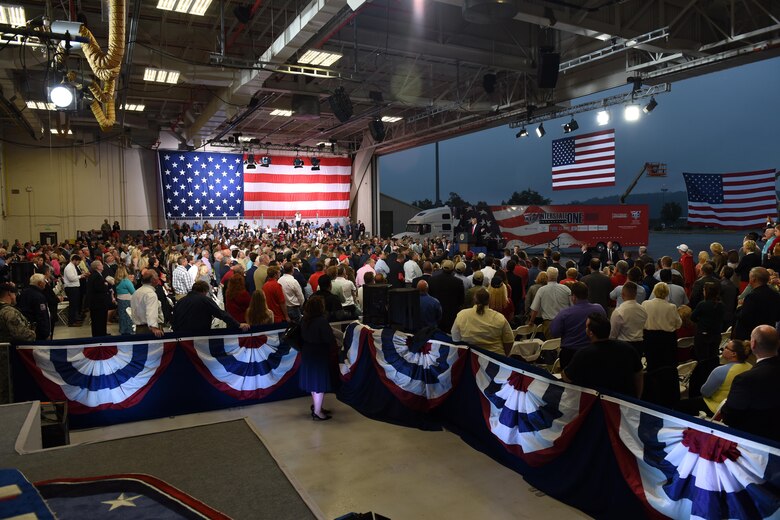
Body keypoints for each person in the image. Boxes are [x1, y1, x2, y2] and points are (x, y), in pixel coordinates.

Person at [563, 312, 643, 397]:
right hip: (625, 403)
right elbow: (639, 374)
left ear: (590, 333)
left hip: (597, 403)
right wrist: (637, 398)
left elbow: (567, 378)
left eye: (586, 327)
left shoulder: (583, 354)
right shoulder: (627, 348)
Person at [722, 325, 780, 441]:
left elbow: (730, 417)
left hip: (753, 439)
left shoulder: (745, 379)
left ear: (753, 344)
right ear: (778, 344)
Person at [677, 339, 752, 417]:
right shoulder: (750, 367)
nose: (723, 349)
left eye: (726, 348)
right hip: (737, 408)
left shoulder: (721, 371)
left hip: (716, 408)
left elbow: (705, 392)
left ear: (733, 354)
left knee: (679, 406)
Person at [550, 282, 606, 370]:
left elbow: (554, 333)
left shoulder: (564, 313)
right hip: (595, 351)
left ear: (574, 297)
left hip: (571, 353)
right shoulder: (599, 309)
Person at [299, 296, 336, 421]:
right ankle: (318, 412)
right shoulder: (321, 321)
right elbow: (329, 338)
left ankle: (317, 406)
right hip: (319, 353)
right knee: (319, 383)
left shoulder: (304, 320)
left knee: (313, 383)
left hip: (307, 352)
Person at [451, 288, 514, 356]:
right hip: (495, 359)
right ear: (489, 300)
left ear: (474, 299)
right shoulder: (499, 317)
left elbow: (455, 338)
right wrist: (503, 357)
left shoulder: (461, 315)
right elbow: (509, 341)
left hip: (469, 358)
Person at [688, 282, 725, 397]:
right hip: (716, 335)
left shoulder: (703, 304)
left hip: (703, 335)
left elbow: (693, 317)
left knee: (702, 360)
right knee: (713, 358)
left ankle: (702, 383)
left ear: (706, 292)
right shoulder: (721, 305)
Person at [172, 281, 249, 334]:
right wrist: (238, 325)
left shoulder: (180, 301)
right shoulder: (204, 300)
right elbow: (220, 313)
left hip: (181, 335)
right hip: (199, 335)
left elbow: (174, 318)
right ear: (204, 291)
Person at [641, 282, 682, 371]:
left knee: (652, 363)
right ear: (667, 293)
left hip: (650, 337)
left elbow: (641, 321)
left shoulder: (645, 304)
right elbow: (678, 324)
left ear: (654, 291)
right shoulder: (671, 307)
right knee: (666, 365)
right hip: (667, 339)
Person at [733, 267, 780, 340]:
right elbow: (778, 316)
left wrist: (740, 306)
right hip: (768, 334)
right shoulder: (776, 295)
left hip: (751, 335)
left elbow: (744, 317)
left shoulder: (752, 297)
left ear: (753, 279)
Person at [609, 282, 647, 358]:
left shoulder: (618, 311)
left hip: (623, 346)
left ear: (622, 295)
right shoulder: (643, 310)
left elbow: (613, 334)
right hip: (639, 345)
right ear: (636, 294)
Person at [428, 259, 465, 331]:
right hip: (451, 314)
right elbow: (461, 300)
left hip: (436, 313)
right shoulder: (458, 282)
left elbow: (430, 295)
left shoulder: (432, 280)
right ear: (452, 269)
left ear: (442, 267)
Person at [130, 270, 164, 337]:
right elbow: (151, 312)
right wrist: (154, 327)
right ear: (153, 280)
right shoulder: (151, 294)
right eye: (157, 276)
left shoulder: (137, 292)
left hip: (139, 328)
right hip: (149, 330)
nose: (158, 278)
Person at [17, 274, 51, 341]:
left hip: (25, 330)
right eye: (44, 281)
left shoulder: (23, 293)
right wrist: (46, 333)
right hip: (38, 331)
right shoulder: (39, 297)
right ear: (40, 283)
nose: (45, 283)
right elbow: (42, 316)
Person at [85, 260, 111, 337]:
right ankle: (100, 335)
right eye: (101, 264)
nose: (102, 266)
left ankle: (102, 333)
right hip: (98, 303)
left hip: (97, 302)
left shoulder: (96, 275)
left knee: (100, 320)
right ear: (97, 267)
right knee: (99, 320)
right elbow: (99, 288)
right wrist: (106, 285)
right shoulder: (96, 276)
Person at [63, 254, 86, 326]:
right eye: (78, 261)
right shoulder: (69, 267)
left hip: (74, 287)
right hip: (71, 288)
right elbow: (71, 278)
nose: (79, 263)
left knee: (75, 305)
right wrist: (81, 276)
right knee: (73, 305)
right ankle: (71, 322)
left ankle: (75, 320)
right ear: (74, 260)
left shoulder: (72, 266)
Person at [114, 265, 135, 335]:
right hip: (127, 301)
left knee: (122, 317)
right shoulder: (126, 281)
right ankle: (129, 331)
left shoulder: (117, 281)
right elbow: (133, 292)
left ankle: (122, 330)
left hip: (120, 301)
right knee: (128, 317)